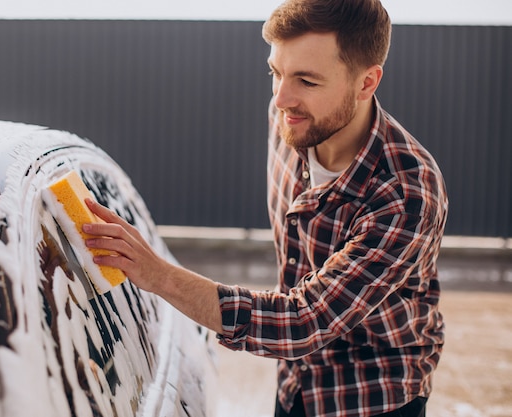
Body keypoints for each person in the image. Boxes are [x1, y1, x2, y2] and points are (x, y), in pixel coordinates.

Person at [81, 0, 448, 415]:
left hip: (371, 395)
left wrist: (159, 276)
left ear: (366, 83)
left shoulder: (406, 193)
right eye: (276, 72)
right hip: (294, 381)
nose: (281, 98)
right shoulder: (292, 119)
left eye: (307, 81)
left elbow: (304, 320)